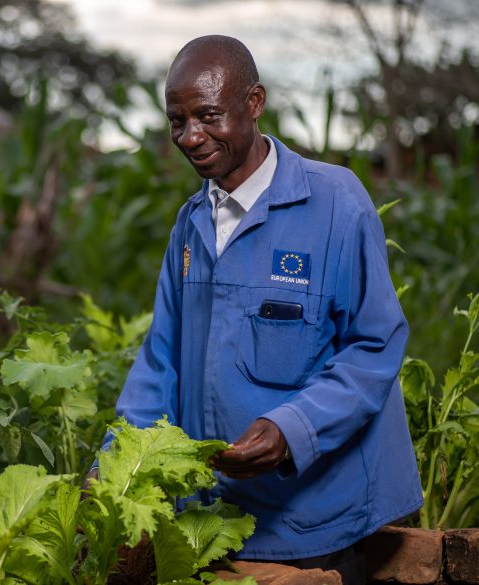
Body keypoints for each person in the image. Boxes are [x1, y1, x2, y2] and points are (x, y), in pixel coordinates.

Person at [89, 35, 422, 584]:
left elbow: (375, 346)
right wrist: (116, 459)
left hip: (316, 519)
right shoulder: (191, 222)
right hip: (215, 517)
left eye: (208, 116)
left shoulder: (335, 202)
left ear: (255, 102)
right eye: (178, 121)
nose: (191, 137)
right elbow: (161, 359)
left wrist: (291, 429)